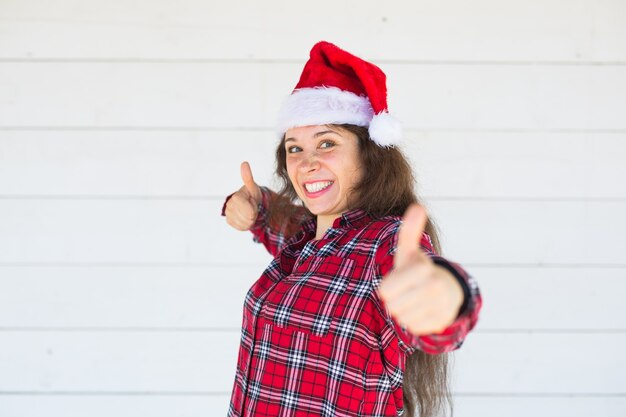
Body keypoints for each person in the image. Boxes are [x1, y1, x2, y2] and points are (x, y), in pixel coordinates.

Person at [221, 41, 482, 417]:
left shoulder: (386, 243)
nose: (307, 163)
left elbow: (436, 310)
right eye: (294, 149)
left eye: (327, 143)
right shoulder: (306, 237)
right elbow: (274, 220)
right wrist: (249, 204)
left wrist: (445, 296)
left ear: (370, 155)